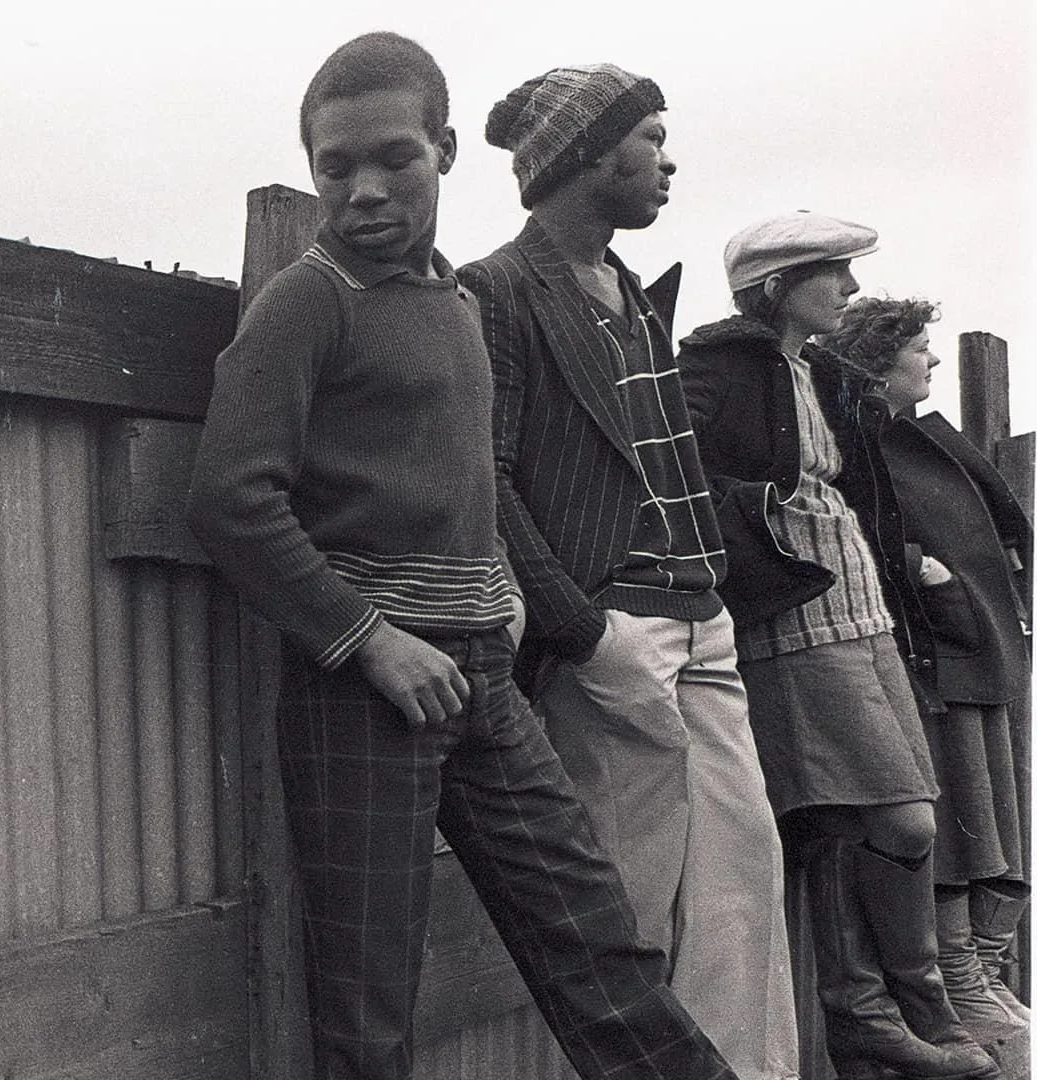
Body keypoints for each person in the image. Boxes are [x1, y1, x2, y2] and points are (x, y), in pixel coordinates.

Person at [186, 31, 736, 1080]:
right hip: (365, 688)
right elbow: (228, 499)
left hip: (485, 679)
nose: (363, 190)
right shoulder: (307, 302)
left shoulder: (461, 306)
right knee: (369, 1004)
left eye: (394, 158)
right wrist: (372, 644)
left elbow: (463, 474)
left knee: (600, 947)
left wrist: (503, 587)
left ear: (443, 150)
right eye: (334, 167)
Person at [457, 64, 797, 1080]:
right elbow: (488, 472)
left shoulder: (639, 300)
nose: (667, 157)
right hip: (613, 635)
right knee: (625, 913)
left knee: (745, 886)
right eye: (649, 136)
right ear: (580, 155)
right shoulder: (500, 290)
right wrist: (578, 625)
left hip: (703, 622)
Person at [675, 212, 997, 1080]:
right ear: (780, 285)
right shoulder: (720, 363)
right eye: (835, 274)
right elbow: (676, 469)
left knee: (846, 821)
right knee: (897, 813)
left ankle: (878, 1016)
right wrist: (757, 517)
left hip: (863, 608)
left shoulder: (819, 371)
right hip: (792, 614)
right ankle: (899, 1006)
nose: (851, 292)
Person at [817, 297, 1031, 1047]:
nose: (933, 360)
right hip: (930, 650)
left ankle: (986, 973)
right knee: (956, 823)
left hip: (979, 646)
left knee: (995, 820)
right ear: (879, 360)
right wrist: (927, 575)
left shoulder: (911, 434)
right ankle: (960, 985)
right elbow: (853, 527)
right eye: (919, 348)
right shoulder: (855, 435)